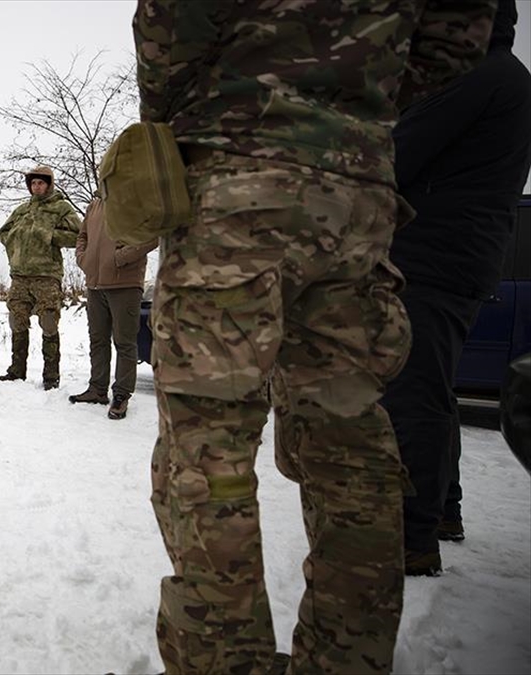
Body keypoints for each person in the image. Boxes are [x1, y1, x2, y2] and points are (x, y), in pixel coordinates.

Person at [133, 1, 496, 673]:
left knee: (208, 446)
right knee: (349, 444)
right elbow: (459, 34)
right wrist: (355, 102)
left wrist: (207, 107)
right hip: (355, 194)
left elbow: (169, 28)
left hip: (236, 173)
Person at [382, 0, 531, 577]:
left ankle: (411, 536)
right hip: (463, 256)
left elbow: (397, 151)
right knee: (433, 389)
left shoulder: (476, 75)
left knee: (410, 393)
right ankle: (442, 510)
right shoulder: (508, 77)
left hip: (432, 254)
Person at [69, 196, 154, 420]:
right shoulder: (94, 205)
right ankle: (97, 389)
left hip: (124, 283)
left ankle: (121, 394)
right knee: (97, 339)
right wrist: (83, 258)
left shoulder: (138, 200)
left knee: (125, 342)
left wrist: (120, 257)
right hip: (95, 284)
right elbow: (82, 235)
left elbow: (152, 235)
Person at [0, 165, 81, 390]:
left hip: (47, 275)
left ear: (49, 184)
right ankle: (17, 371)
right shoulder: (22, 209)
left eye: (41, 183)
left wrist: (49, 236)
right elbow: (3, 232)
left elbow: (79, 236)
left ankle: (51, 377)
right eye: (33, 183)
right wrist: (14, 242)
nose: (37, 186)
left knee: (49, 323)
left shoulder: (61, 208)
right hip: (20, 276)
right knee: (17, 320)